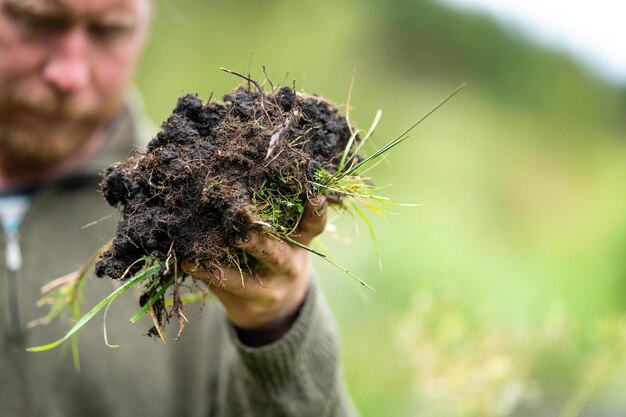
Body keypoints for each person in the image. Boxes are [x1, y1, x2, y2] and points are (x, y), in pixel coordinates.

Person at [0, 0, 358, 416]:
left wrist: (276, 323)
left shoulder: (194, 210)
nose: (68, 73)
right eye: (34, 20)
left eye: (110, 30)